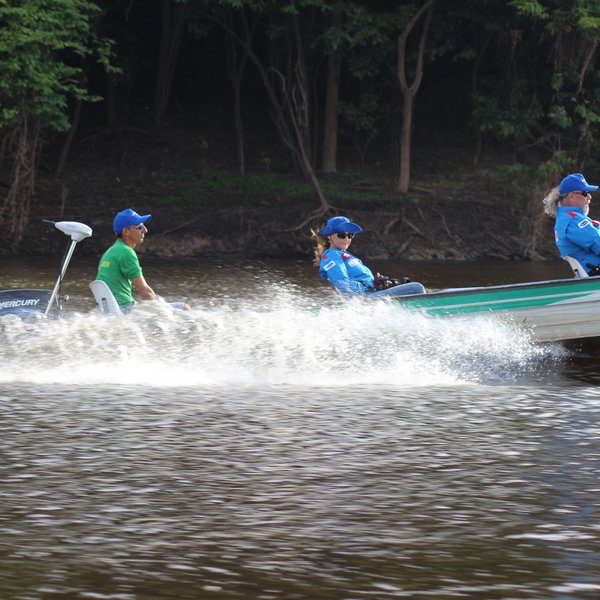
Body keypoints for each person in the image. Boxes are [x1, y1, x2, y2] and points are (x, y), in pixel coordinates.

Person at [97, 208, 189, 312]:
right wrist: (162, 310)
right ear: (126, 231)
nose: (145, 230)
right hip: (125, 309)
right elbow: (145, 293)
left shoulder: (109, 252)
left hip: (111, 310)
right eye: (139, 227)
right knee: (184, 308)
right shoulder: (126, 252)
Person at [313, 215, 426, 297]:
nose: (347, 239)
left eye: (350, 235)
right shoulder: (331, 256)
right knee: (416, 288)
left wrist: (376, 282)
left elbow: (361, 280)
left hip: (373, 295)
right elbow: (343, 284)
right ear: (329, 236)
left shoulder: (345, 255)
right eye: (341, 235)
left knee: (410, 286)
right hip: (367, 301)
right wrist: (368, 290)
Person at [543, 173, 600, 276]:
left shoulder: (566, 219)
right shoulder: (573, 220)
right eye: (585, 193)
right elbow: (597, 243)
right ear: (572, 196)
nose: (589, 197)